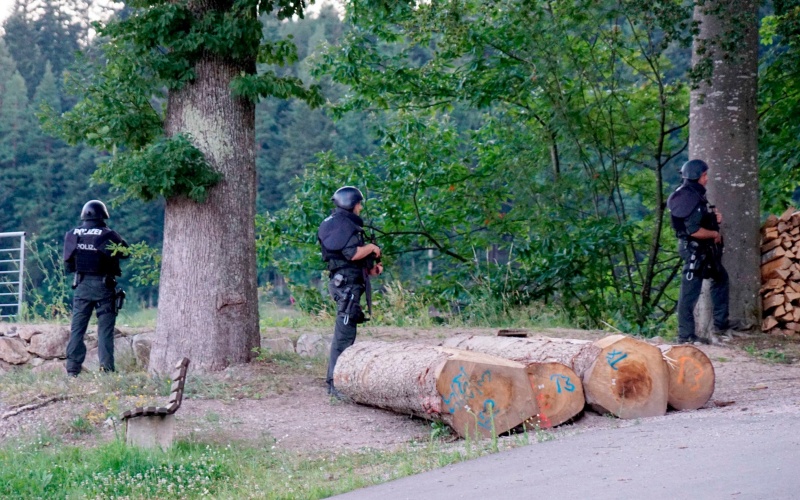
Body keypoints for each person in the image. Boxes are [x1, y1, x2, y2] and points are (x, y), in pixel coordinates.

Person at [317, 186, 383, 399]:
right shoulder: (344, 226)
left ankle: (338, 381)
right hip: (347, 288)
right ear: (352, 203)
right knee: (343, 336)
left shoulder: (338, 225)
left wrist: (371, 269)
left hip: (347, 283)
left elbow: (348, 260)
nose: (361, 207)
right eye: (359, 203)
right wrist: (372, 248)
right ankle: (334, 385)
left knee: (347, 333)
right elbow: (351, 253)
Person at [667, 159, 741, 344]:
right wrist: (714, 232)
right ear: (697, 177)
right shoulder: (689, 197)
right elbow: (693, 230)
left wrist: (712, 217)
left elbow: (697, 218)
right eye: (705, 175)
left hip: (702, 250)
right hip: (694, 251)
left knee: (720, 279)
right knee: (689, 293)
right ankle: (686, 336)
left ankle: (721, 325)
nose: (707, 178)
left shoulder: (689, 194)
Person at [63, 200, 129, 376]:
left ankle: (72, 370)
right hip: (103, 286)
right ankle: (106, 371)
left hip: (81, 286)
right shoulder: (107, 235)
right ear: (103, 215)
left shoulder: (72, 234)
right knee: (105, 330)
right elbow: (125, 252)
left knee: (77, 329)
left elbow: (68, 264)